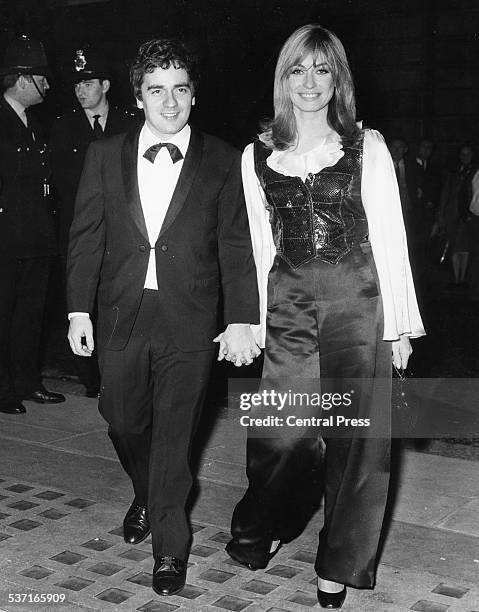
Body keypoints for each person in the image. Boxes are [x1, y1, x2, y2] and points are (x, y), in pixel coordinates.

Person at [226, 24, 425, 609]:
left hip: (358, 303)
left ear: (337, 79)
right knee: (281, 437)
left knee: (357, 444)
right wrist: (255, 321)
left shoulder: (369, 146)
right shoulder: (255, 156)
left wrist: (399, 329)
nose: (310, 83)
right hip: (287, 303)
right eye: (298, 70)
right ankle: (262, 524)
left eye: (322, 70)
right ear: (283, 79)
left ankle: (338, 563)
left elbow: (391, 237)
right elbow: (261, 247)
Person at [66, 38, 260, 597]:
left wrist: (243, 318)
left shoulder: (224, 159)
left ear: (194, 96)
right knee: (122, 418)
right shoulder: (105, 155)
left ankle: (170, 549)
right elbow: (85, 238)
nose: (169, 103)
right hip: (122, 312)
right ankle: (147, 493)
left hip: (190, 319)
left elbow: (236, 246)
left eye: (179, 90)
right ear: (138, 97)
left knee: (176, 437)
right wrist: (79, 309)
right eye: (156, 91)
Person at [50, 47, 140, 397]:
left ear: (105, 84)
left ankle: (119, 374)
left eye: (88, 82)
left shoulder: (130, 124)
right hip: (80, 230)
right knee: (81, 301)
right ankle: (90, 377)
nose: (81, 90)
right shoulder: (62, 128)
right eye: (76, 84)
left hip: (123, 232)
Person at [0, 35, 65, 415]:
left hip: (37, 239)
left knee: (30, 316)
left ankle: (27, 382)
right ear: (23, 80)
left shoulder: (35, 124)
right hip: (7, 241)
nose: (48, 86)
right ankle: (4, 389)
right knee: (4, 315)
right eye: (42, 78)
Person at [437, 144, 476, 286]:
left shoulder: (474, 172)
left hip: (468, 214)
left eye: (468, 154)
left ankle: (462, 277)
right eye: (463, 154)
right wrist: (441, 215)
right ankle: (455, 277)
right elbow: (445, 195)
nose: (465, 157)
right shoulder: (452, 173)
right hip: (452, 213)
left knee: (465, 247)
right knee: (453, 245)